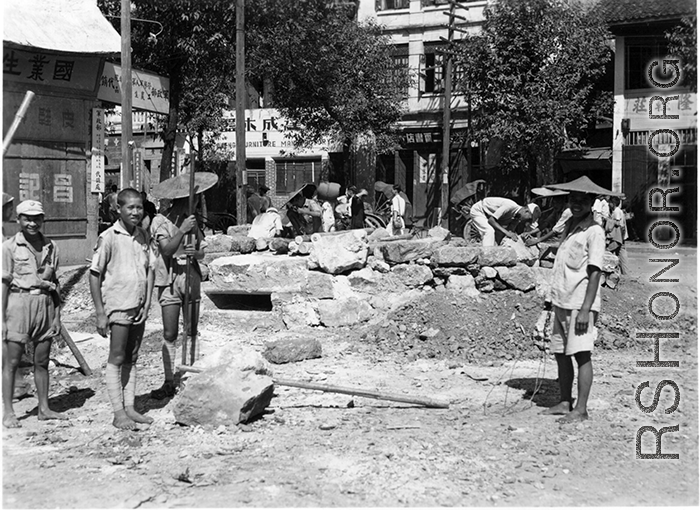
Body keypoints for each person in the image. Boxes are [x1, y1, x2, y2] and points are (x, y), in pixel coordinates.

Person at [89, 189, 155, 430]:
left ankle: (130, 408)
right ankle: (118, 412)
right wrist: (100, 312)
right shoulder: (108, 237)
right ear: (119, 209)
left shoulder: (143, 237)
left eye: (139, 207)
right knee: (117, 357)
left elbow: (150, 270)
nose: (136, 212)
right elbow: (94, 275)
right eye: (130, 208)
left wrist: (147, 304)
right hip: (118, 305)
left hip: (138, 305)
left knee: (132, 357)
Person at [542, 188, 605, 424]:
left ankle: (581, 409)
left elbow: (595, 271)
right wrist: (551, 298)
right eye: (572, 200)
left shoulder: (594, 232)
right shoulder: (570, 227)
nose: (576, 204)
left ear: (591, 203)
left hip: (579, 303)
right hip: (562, 299)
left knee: (581, 355)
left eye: (582, 201)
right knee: (560, 353)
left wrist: (586, 309)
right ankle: (565, 401)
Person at [2, 200, 66, 428]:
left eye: (37, 218)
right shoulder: (9, 247)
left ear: (43, 219)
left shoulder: (51, 246)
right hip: (19, 303)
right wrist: (1, 319)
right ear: (18, 220)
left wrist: (57, 315)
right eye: (27, 218)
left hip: (45, 304)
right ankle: (8, 412)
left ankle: (44, 408)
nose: (32, 223)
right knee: (11, 362)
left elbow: (55, 282)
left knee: (42, 361)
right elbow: (4, 285)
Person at [150, 191, 207, 399]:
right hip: (169, 281)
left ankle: (189, 375)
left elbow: (202, 251)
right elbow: (166, 250)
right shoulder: (160, 221)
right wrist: (182, 231)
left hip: (191, 277)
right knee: (170, 332)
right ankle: (168, 380)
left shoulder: (192, 222)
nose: (191, 208)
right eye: (188, 203)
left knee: (192, 329)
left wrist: (195, 252)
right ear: (180, 202)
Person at [469, 197, 538, 246]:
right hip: (479, 211)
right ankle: (487, 258)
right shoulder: (509, 206)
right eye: (529, 218)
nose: (526, 220)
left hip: (488, 215)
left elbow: (510, 230)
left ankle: (495, 253)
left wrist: (515, 236)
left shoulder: (517, 217)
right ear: (526, 211)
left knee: (499, 234)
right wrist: (507, 233)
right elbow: (491, 220)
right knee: (489, 231)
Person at [607, 196, 629, 275]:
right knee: (621, 254)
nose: (608, 204)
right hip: (620, 237)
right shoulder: (617, 211)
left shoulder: (616, 211)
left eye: (609, 203)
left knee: (608, 252)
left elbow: (619, 225)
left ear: (612, 203)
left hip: (618, 237)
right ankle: (624, 273)